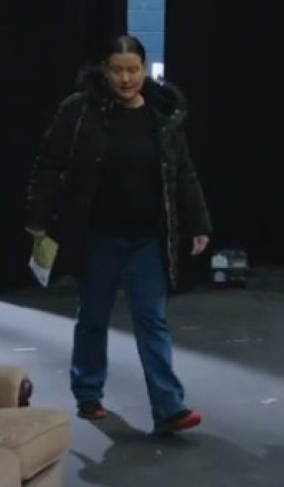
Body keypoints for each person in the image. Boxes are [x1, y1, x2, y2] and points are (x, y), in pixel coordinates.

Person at [25, 34, 211, 434]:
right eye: (117, 70)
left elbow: (183, 173)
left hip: (148, 238)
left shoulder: (163, 114)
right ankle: (88, 393)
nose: (126, 78)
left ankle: (169, 407)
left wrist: (198, 223)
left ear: (145, 69)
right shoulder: (79, 112)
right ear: (104, 71)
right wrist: (38, 215)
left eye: (133, 70)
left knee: (153, 320)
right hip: (97, 237)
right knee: (93, 317)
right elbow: (48, 163)